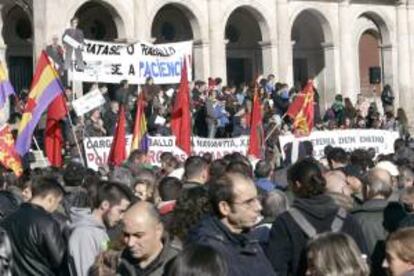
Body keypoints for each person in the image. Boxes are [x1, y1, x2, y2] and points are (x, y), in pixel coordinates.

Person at [266, 158, 367, 276]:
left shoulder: (285, 222)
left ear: (297, 185)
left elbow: (276, 268)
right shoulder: (347, 218)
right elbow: (363, 260)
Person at [187, 173, 276, 276]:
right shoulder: (208, 253)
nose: (258, 207)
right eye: (248, 202)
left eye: (256, 199)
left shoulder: (246, 237)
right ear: (224, 207)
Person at [1, 176, 66, 275]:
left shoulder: (7, 220)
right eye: (57, 203)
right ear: (50, 199)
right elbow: (60, 261)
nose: (56, 207)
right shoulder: (46, 223)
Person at [68, 182, 133, 276]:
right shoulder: (84, 234)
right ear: (105, 205)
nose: (121, 217)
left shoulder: (98, 231)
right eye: (120, 211)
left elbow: (102, 249)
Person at [117, 201, 179, 275]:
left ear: (158, 231)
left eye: (138, 235)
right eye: (126, 235)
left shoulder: (179, 265)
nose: (130, 243)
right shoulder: (115, 262)